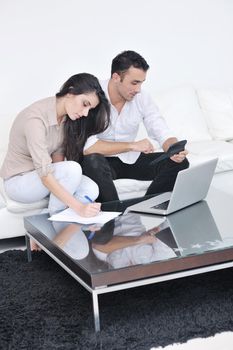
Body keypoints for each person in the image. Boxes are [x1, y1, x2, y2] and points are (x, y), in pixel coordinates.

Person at [81, 51, 189, 202]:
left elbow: (159, 127)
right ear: (116, 77)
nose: (138, 89)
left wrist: (173, 148)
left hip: (129, 160)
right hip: (100, 162)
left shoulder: (142, 97)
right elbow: (88, 147)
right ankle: (114, 213)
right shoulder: (92, 95)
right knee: (92, 161)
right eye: (134, 83)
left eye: (141, 83)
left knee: (180, 163)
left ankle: (146, 208)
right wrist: (132, 145)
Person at [0, 73, 110, 221]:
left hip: (42, 179)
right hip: (19, 183)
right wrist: (79, 207)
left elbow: (59, 161)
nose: (85, 113)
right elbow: (45, 174)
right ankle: (52, 223)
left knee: (91, 188)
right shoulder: (35, 119)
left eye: (89, 109)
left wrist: (68, 184)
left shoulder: (65, 118)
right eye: (85, 104)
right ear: (71, 91)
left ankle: (57, 224)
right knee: (73, 168)